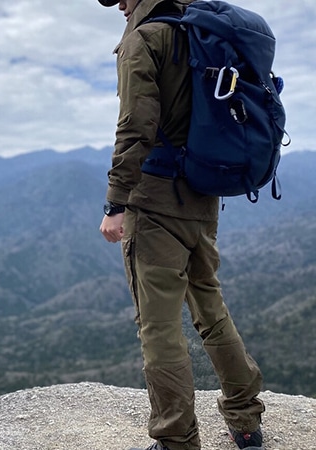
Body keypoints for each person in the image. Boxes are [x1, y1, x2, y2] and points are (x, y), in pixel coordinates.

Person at [97, 1, 265, 449]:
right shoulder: (205, 34)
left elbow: (136, 127)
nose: (119, 5)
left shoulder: (145, 39)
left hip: (154, 203)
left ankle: (176, 439)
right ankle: (245, 419)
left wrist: (116, 201)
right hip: (204, 195)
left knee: (159, 326)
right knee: (210, 307)